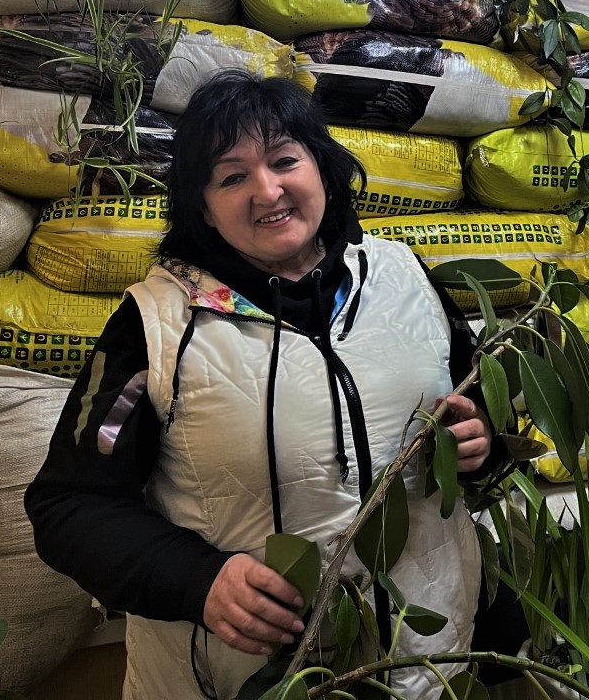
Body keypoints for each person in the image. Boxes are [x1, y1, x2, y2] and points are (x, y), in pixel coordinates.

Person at [26, 70, 502, 700]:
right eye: (232, 176)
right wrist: (199, 581)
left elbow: (479, 407)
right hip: (241, 680)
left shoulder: (406, 279)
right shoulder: (154, 330)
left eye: (285, 160)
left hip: (419, 668)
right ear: (202, 206)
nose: (267, 190)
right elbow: (71, 506)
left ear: (322, 169)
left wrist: (482, 444)